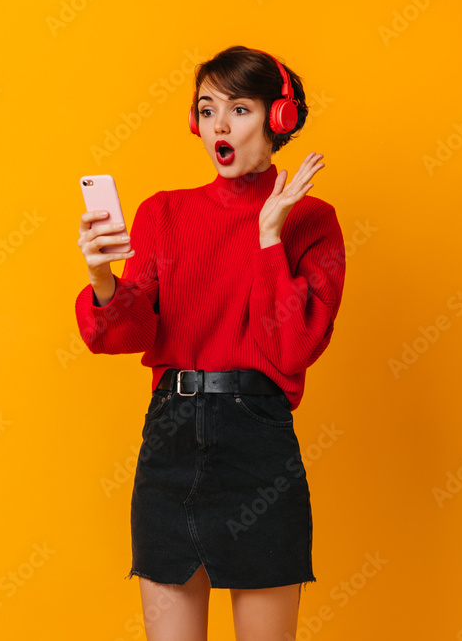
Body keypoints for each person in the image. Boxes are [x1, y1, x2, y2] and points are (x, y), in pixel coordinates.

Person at [75, 45, 346, 640]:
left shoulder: (313, 221)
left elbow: (293, 348)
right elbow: (130, 332)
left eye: (240, 109)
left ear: (279, 120)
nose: (218, 126)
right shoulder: (163, 214)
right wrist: (101, 280)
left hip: (259, 448)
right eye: (207, 109)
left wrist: (269, 236)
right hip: (170, 442)